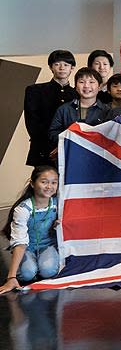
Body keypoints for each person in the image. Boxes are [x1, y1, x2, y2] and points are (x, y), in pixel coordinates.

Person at [0, 166, 60, 294]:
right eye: (44, 182)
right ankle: (27, 265)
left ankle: (41, 262)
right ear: (32, 183)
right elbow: (20, 241)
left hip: (48, 245)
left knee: (48, 270)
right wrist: (11, 277)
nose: (49, 186)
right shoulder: (23, 209)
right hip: (27, 247)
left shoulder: (58, 203)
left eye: (54, 182)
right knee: (27, 274)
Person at [24, 50, 78, 166]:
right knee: (42, 182)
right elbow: (32, 123)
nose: (62, 68)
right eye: (57, 64)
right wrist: (50, 147)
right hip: (43, 149)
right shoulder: (35, 91)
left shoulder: (76, 94)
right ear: (51, 67)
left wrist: (64, 145)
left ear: (72, 68)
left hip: (71, 149)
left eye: (66, 65)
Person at [48, 68, 110, 150]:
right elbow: (53, 133)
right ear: (76, 87)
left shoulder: (107, 111)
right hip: (70, 154)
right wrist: (71, 137)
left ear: (99, 87)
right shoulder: (64, 109)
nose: (86, 86)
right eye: (81, 82)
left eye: (91, 82)